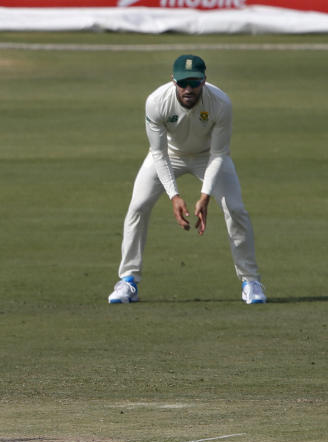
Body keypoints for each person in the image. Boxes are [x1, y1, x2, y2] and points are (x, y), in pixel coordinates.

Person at [109, 54, 266, 305]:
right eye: (183, 83)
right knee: (138, 207)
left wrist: (205, 196)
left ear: (204, 80)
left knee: (235, 209)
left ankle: (250, 281)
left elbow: (219, 154)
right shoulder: (156, 102)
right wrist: (175, 195)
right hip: (169, 155)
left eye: (194, 82)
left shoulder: (221, 103)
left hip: (209, 157)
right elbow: (158, 153)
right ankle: (128, 281)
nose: (188, 89)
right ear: (173, 80)